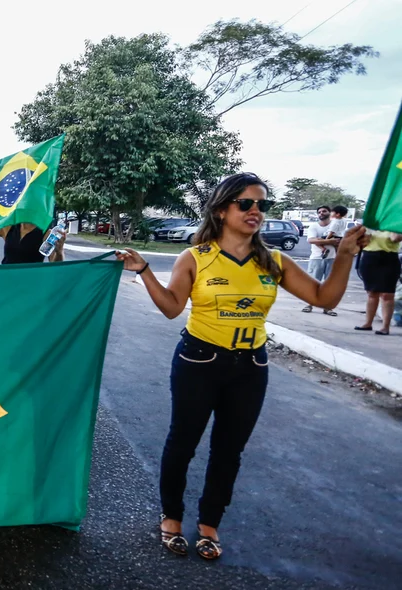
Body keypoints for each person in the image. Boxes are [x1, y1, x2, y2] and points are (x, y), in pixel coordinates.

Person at [116, 173, 367, 560]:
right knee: (183, 443)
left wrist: (347, 254)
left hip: (251, 366)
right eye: (246, 204)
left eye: (262, 205)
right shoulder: (196, 257)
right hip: (198, 360)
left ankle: (209, 524)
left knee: (229, 450)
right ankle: (171, 517)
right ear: (221, 210)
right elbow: (171, 309)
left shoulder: (274, 261)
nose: (256, 212)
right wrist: (145, 270)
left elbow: (325, 297)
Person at [355, 229, 402, 335]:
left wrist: (392, 225)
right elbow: (361, 242)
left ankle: (385, 327)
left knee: (387, 294)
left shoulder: (396, 223)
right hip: (370, 257)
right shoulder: (371, 224)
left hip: (389, 258)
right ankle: (368, 323)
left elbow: (395, 238)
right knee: (372, 293)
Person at [302, 205, 339, 315]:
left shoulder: (335, 226)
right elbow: (311, 240)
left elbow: (339, 240)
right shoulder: (314, 226)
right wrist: (329, 242)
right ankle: (309, 304)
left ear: (329, 212)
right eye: (319, 212)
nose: (321, 213)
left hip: (332, 258)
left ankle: (327, 307)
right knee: (313, 282)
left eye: (324, 211)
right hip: (316, 258)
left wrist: (321, 241)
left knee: (329, 284)